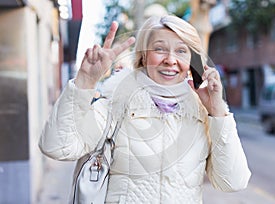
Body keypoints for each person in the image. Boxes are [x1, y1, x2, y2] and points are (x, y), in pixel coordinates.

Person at [39, 15, 251, 203]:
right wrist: (85, 80)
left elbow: (232, 182)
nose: (170, 60)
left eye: (181, 51)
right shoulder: (116, 103)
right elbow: (57, 147)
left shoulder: (202, 113)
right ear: (143, 56)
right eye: (159, 49)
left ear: (192, 62)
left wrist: (218, 111)